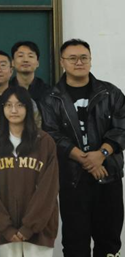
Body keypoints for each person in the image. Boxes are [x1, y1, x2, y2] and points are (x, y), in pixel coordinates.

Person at [41, 39, 125, 257]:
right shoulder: (51, 98)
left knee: (109, 243)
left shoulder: (111, 93)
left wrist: (101, 154)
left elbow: (122, 128)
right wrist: (86, 159)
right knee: (75, 244)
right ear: (62, 62)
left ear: (90, 60)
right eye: (72, 58)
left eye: (83, 58)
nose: (79, 62)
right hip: (72, 180)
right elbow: (51, 134)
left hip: (108, 176)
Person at [0, 86, 59, 257]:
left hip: (39, 232)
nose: (13, 110)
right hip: (5, 234)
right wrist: (5, 228)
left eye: (19, 105)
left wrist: (29, 227)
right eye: (8, 105)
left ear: (28, 108)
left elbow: (48, 189)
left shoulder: (44, 142)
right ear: (2, 108)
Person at [9, 41, 51, 109]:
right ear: (13, 62)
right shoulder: (6, 90)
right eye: (20, 56)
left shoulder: (49, 92)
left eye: (30, 56)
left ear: (37, 63)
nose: (26, 60)